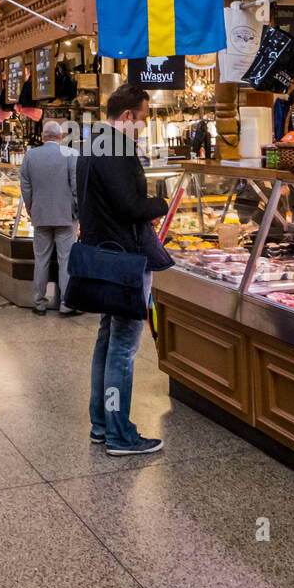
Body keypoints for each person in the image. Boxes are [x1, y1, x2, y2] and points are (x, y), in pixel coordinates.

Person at [78, 83, 169, 457]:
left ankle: (101, 424)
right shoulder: (117, 149)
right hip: (125, 259)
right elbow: (130, 206)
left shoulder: (91, 145)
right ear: (128, 116)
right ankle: (119, 434)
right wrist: (161, 202)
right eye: (144, 119)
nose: (144, 127)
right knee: (122, 349)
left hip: (102, 255)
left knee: (106, 339)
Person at [21, 120, 79, 316]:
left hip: (40, 215)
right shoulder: (71, 155)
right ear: (61, 137)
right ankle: (66, 303)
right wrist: (77, 211)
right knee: (66, 261)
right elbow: (76, 186)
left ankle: (39, 303)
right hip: (65, 216)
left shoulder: (30, 156)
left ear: (43, 137)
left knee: (41, 260)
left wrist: (31, 209)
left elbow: (25, 188)